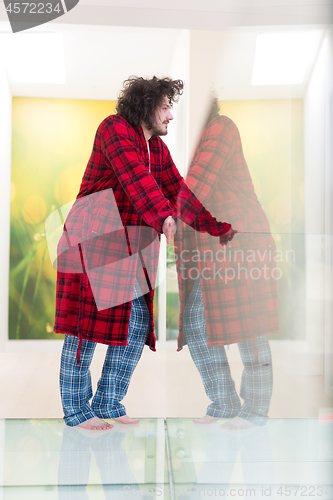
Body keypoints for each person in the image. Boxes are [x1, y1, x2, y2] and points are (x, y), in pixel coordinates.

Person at [54, 77, 234, 430]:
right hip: (94, 240)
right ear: (146, 105)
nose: (170, 116)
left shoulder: (158, 150)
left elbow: (179, 192)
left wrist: (217, 228)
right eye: (165, 107)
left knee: (135, 326)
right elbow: (136, 178)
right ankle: (76, 410)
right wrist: (163, 216)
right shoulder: (114, 128)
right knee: (85, 329)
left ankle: (107, 401)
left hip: (131, 248)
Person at [175, 100, 279, 429]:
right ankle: (224, 401)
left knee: (250, 325)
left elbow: (196, 186)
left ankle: (256, 410)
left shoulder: (221, 128)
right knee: (195, 321)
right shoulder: (188, 141)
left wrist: (156, 212)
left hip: (241, 237)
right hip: (212, 242)